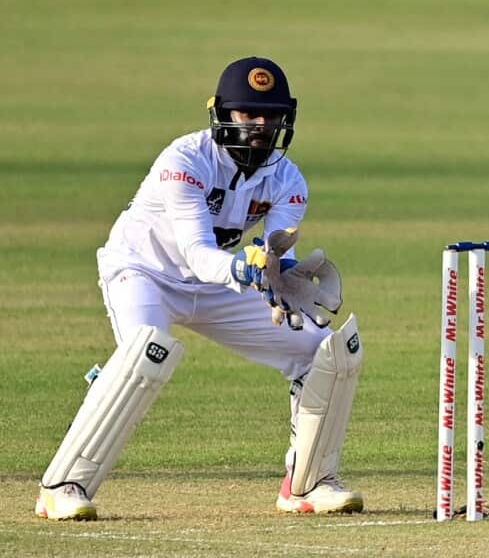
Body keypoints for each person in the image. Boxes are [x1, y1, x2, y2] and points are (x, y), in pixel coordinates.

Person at [35, 57, 363, 521]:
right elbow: (196, 252)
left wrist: (278, 271)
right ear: (222, 113)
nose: (261, 125)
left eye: (270, 116)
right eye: (249, 113)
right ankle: (62, 486)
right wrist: (247, 272)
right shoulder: (184, 161)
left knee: (324, 352)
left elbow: (275, 247)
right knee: (143, 357)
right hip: (145, 271)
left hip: (218, 286)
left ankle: (307, 483)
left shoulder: (289, 180)